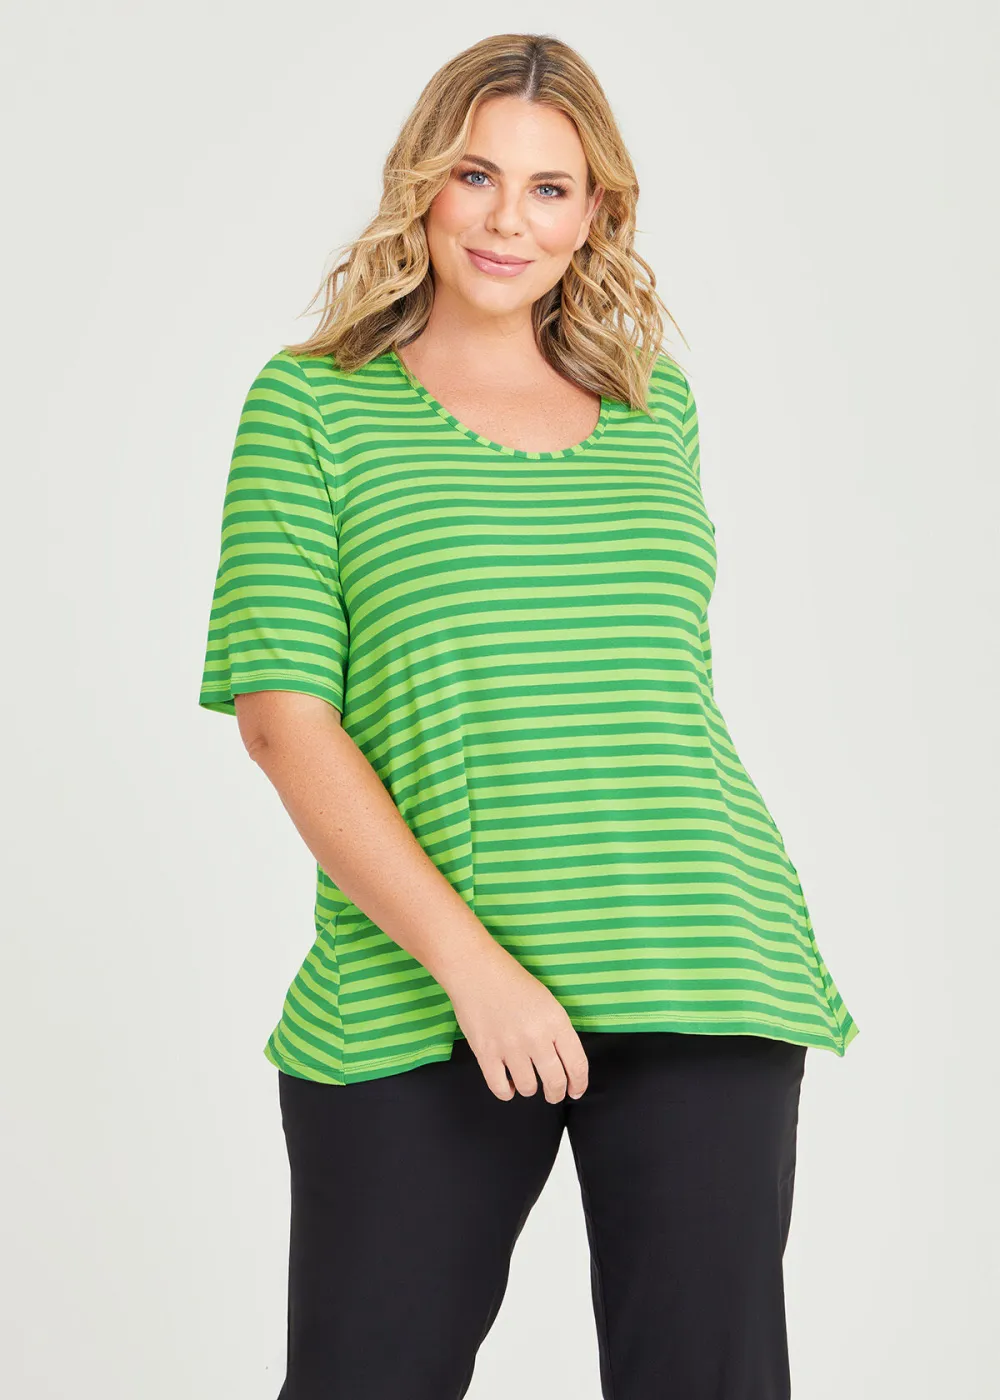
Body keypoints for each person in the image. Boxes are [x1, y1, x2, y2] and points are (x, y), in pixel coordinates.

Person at [198, 31, 859, 1400]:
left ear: (595, 209)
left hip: (696, 955)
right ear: (422, 185)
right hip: (421, 988)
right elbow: (283, 721)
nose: (509, 219)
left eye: (550, 188)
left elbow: (650, 693)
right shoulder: (312, 406)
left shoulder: (652, 406)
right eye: (477, 176)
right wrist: (474, 967)